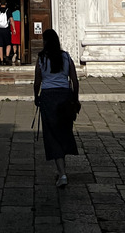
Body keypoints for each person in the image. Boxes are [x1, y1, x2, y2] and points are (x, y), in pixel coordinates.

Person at [33, 28, 79, 188]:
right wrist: (75, 98)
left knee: (52, 135)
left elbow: (37, 81)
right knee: (63, 131)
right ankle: (61, 171)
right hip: (65, 97)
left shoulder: (42, 58)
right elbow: (74, 79)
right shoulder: (66, 57)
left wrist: (36, 96)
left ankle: (63, 173)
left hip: (49, 97)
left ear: (45, 42)